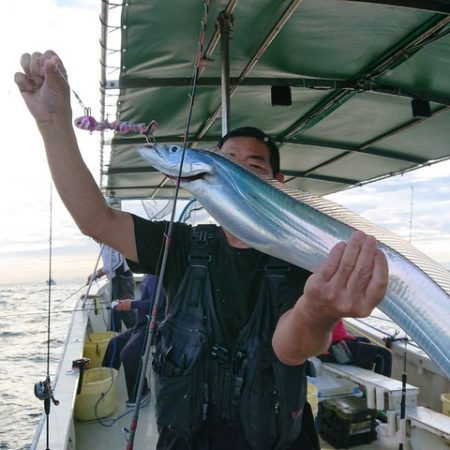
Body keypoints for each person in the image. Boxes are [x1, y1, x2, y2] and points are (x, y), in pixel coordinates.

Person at [15, 50, 389, 450]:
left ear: (277, 183)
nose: (239, 173)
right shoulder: (183, 245)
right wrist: (53, 122)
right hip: (187, 438)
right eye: (227, 162)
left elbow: (291, 347)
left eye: (255, 167)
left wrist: (318, 310)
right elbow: (96, 220)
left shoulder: (300, 258)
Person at [102, 274, 167, 405]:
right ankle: (106, 385)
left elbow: (156, 303)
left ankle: (141, 393)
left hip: (153, 327)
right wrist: (128, 303)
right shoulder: (148, 276)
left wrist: (131, 304)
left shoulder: (156, 276)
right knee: (115, 343)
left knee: (128, 354)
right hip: (141, 325)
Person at [87, 245, 136, 332]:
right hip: (116, 279)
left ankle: (139, 336)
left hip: (122, 279)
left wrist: (98, 273)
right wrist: (97, 274)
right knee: (116, 311)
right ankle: (115, 337)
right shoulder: (104, 243)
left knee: (125, 311)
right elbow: (110, 263)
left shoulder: (109, 240)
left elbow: (117, 262)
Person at [319, 319, 392, 376]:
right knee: (384, 354)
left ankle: (365, 379)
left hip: (334, 344)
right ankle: (383, 391)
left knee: (366, 340)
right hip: (334, 349)